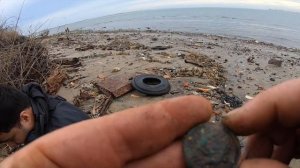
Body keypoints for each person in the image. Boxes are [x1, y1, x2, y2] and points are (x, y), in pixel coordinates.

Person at [1, 79, 300, 168]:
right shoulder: (43, 101)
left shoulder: (60, 132)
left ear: (25, 117)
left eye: (8, 139)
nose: (12, 147)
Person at [0, 83, 89, 147]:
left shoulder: (63, 137)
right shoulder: (36, 104)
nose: (11, 146)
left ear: (25, 118)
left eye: (12, 139)